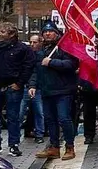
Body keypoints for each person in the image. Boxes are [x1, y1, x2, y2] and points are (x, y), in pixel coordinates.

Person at [0, 21, 36, 156]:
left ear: (12, 34)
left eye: (3, 32)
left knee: (13, 117)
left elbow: (28, 67)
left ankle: (14, 144)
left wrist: (20, 83)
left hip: (12, 87)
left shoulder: (22, 49)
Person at [29, 23, 80, 160]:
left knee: (64, 119)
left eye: (51, 31)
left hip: (63, 90)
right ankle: (54, 147)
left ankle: (70, 147)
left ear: (57, 34)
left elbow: (71, 65)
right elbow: (36, 70)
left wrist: (52, 62)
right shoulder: (40, 51)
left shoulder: (65, 48)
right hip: (47, 90)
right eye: (45, 32)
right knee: (50, 120)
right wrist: (32, 85)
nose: (47, 34)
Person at [22, 32, 45, 141]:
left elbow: (36, 72)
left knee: (39, 112)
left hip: (38, 87)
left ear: (40, 43)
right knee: (20, 112)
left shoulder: (43, 55)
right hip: (26, 86)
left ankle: (39, 134)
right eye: (30, 42)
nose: (32, 44)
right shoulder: (27, 55)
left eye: (34, 42)